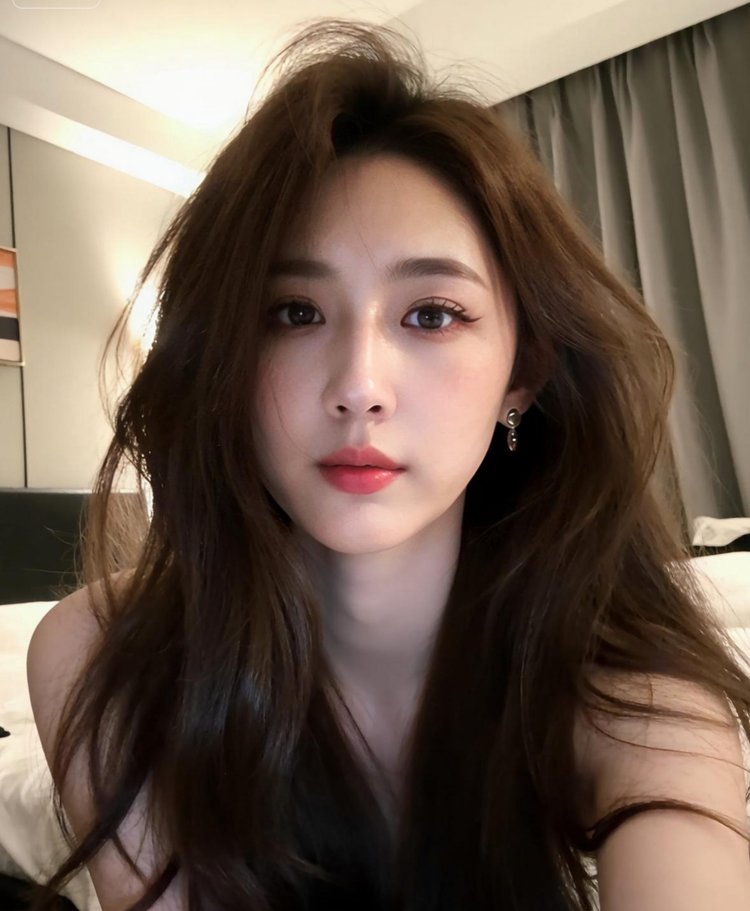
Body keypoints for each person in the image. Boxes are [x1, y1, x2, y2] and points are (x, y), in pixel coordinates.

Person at [25, 17, 750, 911]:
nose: (359, 386)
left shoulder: (636, 692)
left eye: (432, 314)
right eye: (293, 313)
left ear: (522, 376)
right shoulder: (104, 654)